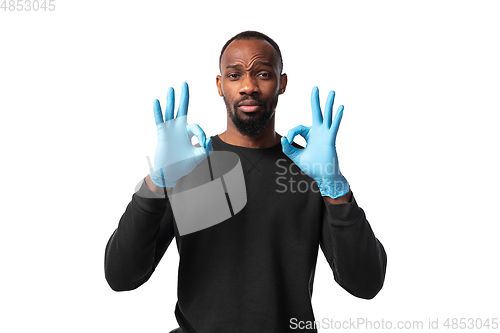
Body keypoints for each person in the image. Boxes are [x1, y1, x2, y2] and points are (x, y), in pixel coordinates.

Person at [105, 31, 387, 333]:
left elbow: (365, 283)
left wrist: (335, 189)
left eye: (263, 74)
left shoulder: (313, 171)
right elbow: (122, 276)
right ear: (220, 85)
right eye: (235, 75)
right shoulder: (184, 166)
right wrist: (156, 182)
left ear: (282, 83)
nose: (248, 86)